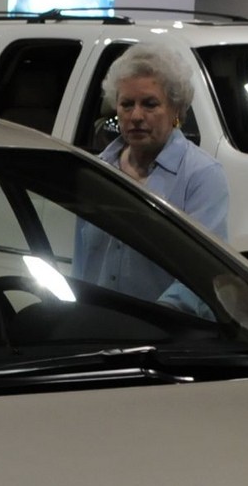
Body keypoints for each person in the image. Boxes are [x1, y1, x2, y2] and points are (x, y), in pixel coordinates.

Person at [70, 42, 228, 301]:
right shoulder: (98, 170)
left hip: (168, 331)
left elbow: (204, 274)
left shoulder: (202, 176)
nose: (136, 116)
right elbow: (83, 263)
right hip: (98, 326)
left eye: (150, 104)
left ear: (176, 110)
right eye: (127, 104)